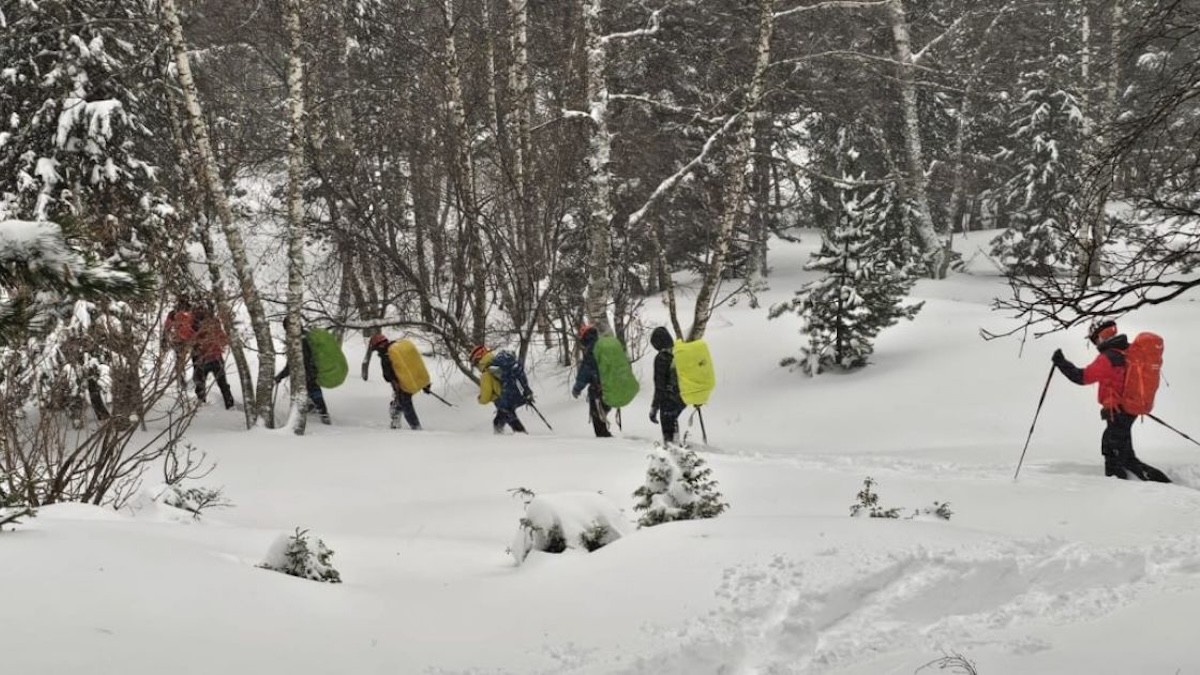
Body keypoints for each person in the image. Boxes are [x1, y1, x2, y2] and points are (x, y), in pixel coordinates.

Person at [1052, 319, 1170, 482]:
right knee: (1125, 455)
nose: (1095, 343)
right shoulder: (1126, 350)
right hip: (1127, 410)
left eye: (1094, 339)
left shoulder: (1109, 358)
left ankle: (1121, 488)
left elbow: (1082, 377)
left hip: (1118, 411)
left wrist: (1061, 363)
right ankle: (1154, 483)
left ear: (1100, 337)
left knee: (1113, 453)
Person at [275, 318, 331, 424]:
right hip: (312, 371)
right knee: (311, 392)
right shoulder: (305, 336)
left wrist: (280, 376)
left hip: (308, 372)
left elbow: (293, 364)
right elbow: (292, 363)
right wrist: (281, 376)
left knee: (313, 392)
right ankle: (317, 412)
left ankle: (324, 416)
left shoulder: (300, 341)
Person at [470, 345, 532, 434]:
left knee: (508, 419)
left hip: (504, 401)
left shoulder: (487, 373)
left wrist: (480, 399)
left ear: (478, 361)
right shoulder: (500, 364)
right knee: (498, 421)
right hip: (516, 395)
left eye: (475, 364)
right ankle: (502, 440)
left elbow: (485, 398)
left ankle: (524, 439)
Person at [368, 333, 423, 430]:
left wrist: (395, 383)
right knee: (401, 402)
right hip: (411, 380)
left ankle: (415, 426)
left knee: (406, 404)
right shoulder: (397, 348)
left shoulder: (387, 355)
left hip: (401, 383)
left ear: (379, 345)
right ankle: (396, 419)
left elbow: (388, 375)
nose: (377, 351)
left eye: (376, 348)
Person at [571, 324, 611, 437]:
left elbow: (585, 372)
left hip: (597, 390)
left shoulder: (591, 351)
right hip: (609, 387)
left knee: (597, 419)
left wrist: (577, 388)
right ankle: (606, 437)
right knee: (602, 415)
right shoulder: (602, 346)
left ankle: (605, 442)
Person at [191, 305, 235, 409]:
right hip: (215, 357)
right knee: (222, 384)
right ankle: (230, 406)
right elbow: (222, 338)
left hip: (201, 358)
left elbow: (189, 338)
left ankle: (201, 405)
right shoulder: (214, 321)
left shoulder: (193, 322)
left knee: (200, 383)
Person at [648, 326, 685, 444]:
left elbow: (660, 386)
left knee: (668, 422)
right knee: (673, 418)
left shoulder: (661, 358)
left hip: (670, 396)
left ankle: (671, 448)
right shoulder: (679, 352)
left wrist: (654, 407)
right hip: (684, 395)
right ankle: (676, 440)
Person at [162, 296, 196, 389]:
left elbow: (167, 327)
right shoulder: (190, 311)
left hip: (181, 340)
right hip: (187, 340)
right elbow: (167, 327)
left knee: (181, 361)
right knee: (191, 360)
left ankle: (183, 380)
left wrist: (164, 340)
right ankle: (185, 380)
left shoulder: (174, 312)